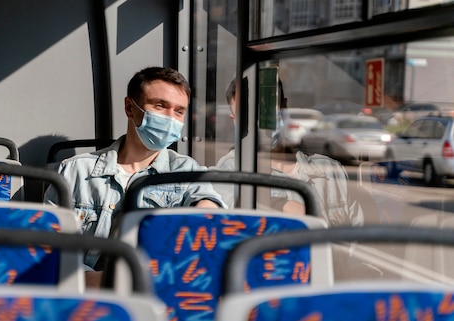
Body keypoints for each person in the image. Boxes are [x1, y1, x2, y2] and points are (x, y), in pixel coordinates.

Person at [45, 67, 225, 286]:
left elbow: (208, 206)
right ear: (130, 108)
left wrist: (203, 212)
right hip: (81, 292)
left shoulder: (186, 171)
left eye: (179, 111)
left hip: (154, 290)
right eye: (160, 105)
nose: (170, 118)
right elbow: (48, 244)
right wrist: (100, 282)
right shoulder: (74, 171)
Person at [212, 76, 364, 227]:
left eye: (266, 110)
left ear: (283, 107)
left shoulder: (330, 170)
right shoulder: (229, 172)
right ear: (234, 120)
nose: (258, 121)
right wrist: (278, 203)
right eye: (246, 114)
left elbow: (358, 236)